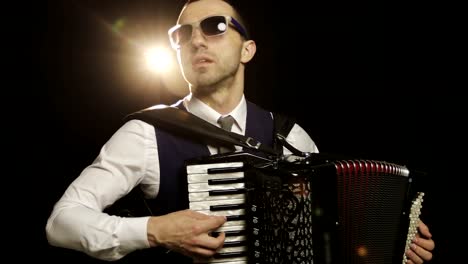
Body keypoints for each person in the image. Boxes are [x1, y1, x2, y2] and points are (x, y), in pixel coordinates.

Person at [46, 0, 435, 263]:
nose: (195, 39)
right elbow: (62, 222)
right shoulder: (145, 133)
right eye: (182, 34)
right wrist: (154, 230)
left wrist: (395, 236)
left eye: (215, 27)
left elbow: (330, 230)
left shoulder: (289, 136)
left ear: (247, 49)